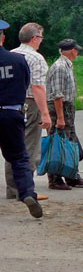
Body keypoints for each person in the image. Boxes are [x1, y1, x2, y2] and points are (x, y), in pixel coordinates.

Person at [0, 20, 44, 218]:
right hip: (12, 113)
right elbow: (26, 83)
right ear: (2, 37)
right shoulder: (18, 60)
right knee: (19, 157)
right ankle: (27, 193)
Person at [45, 39, 83, 189]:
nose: (77, 52)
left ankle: (72, 175)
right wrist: (60, 117)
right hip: (60, 107)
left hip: (67, 107)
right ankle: (55, 179)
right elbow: (57, 95)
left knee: (69, 142)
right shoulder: (59, 67)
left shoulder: (67, 65)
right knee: (58, 142)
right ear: (72, 51)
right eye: (76, 50)